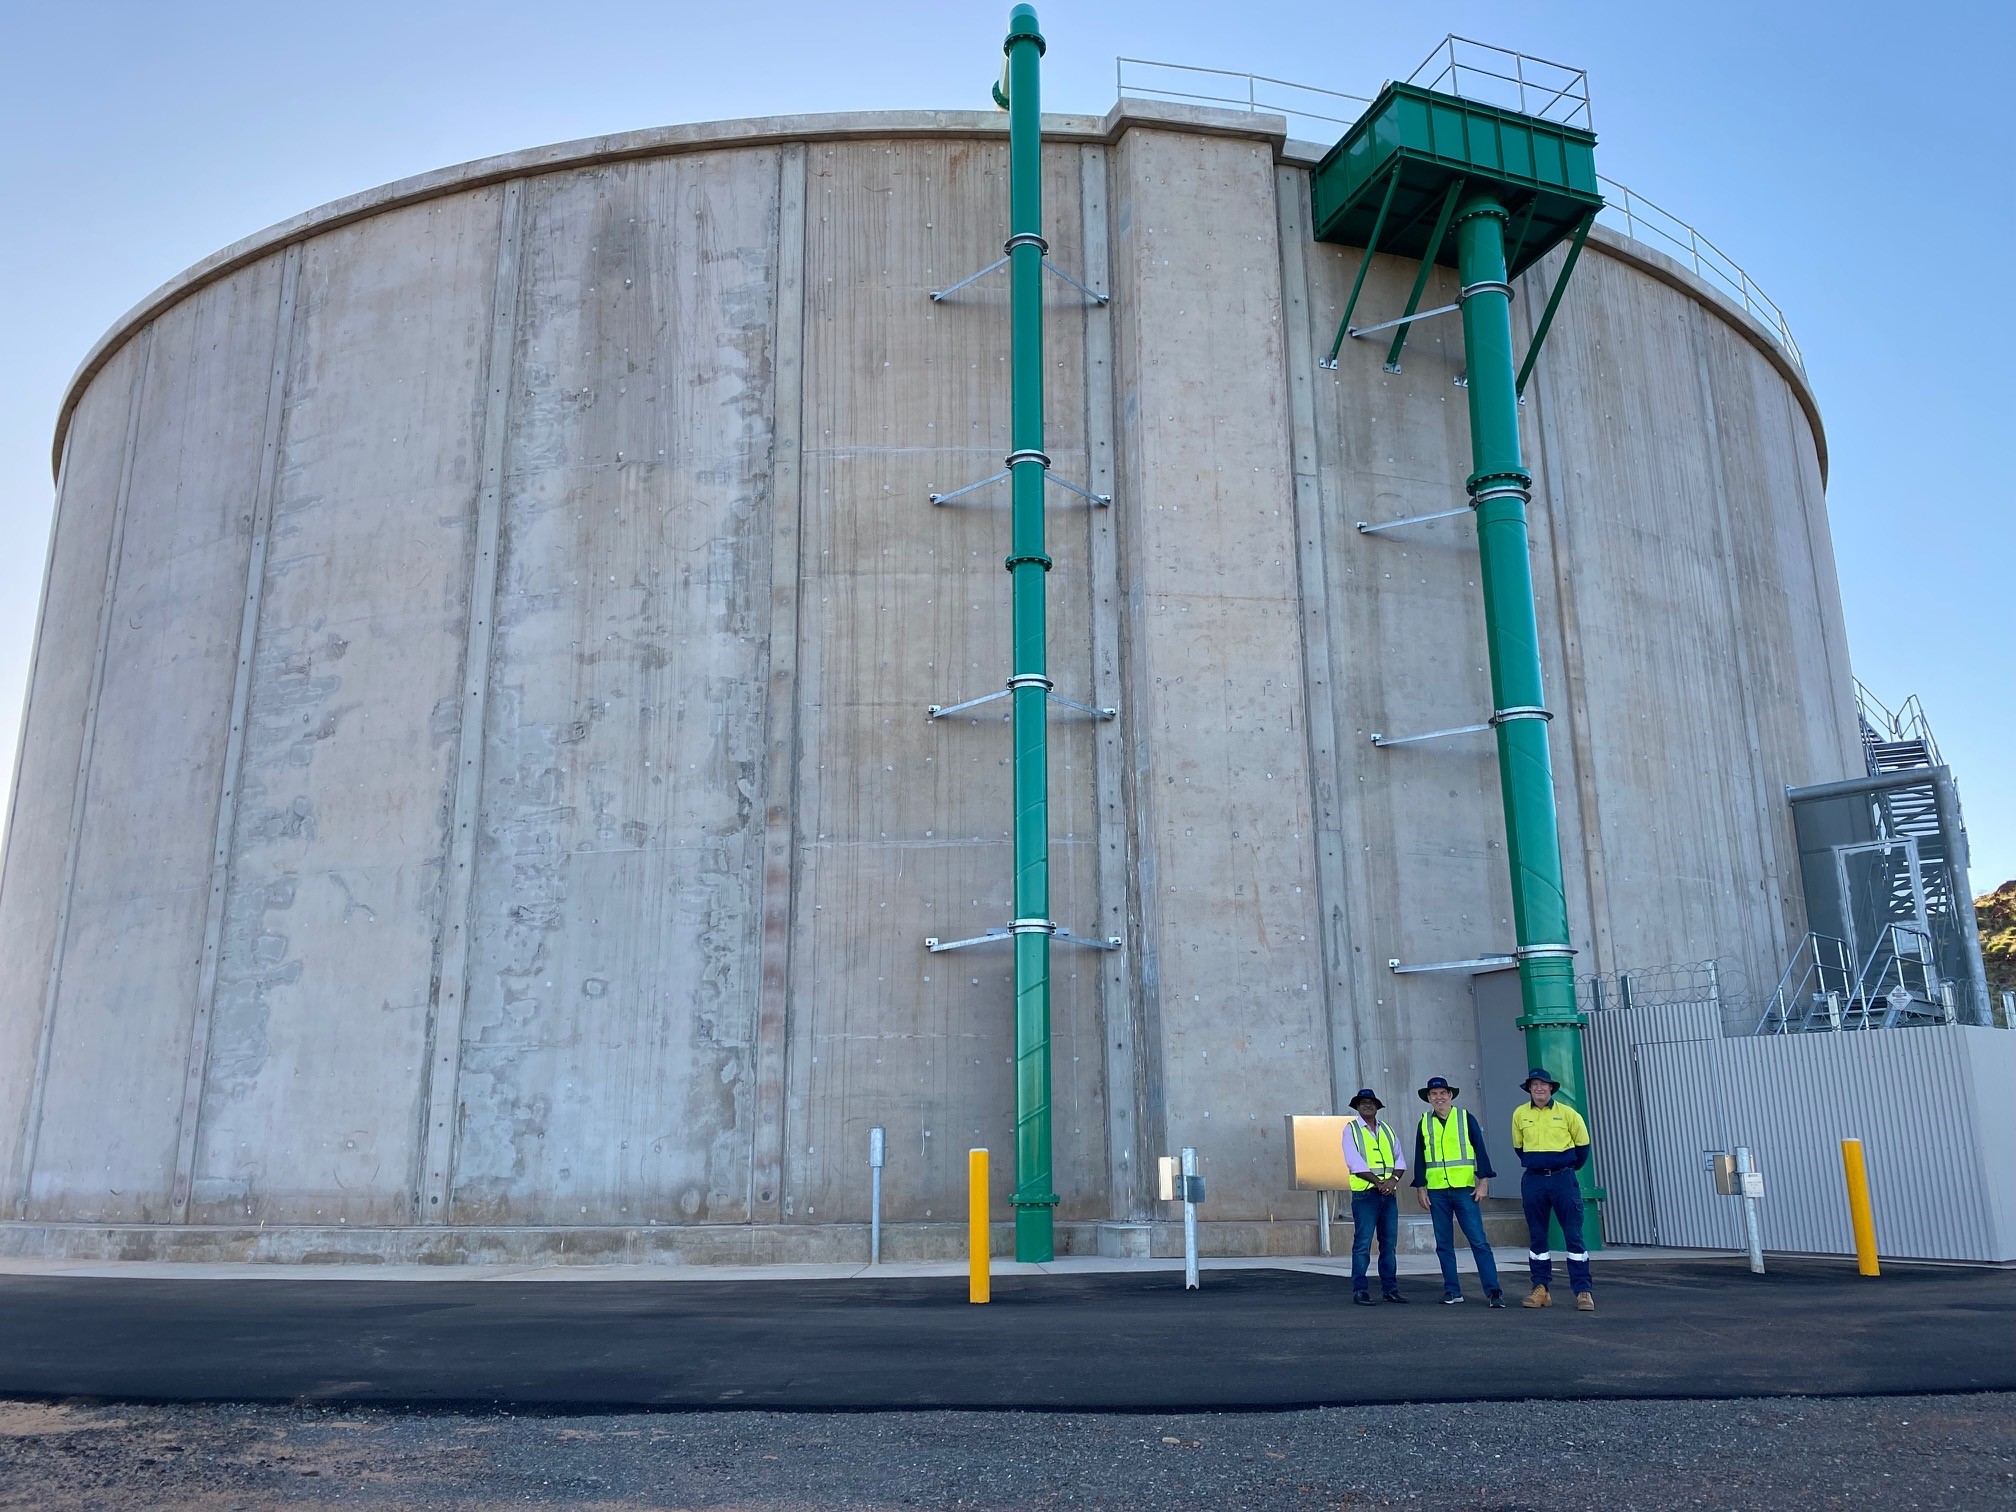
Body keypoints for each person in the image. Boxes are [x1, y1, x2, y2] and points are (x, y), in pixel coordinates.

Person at [1410, 1076, 1504, 1307]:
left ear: (1450, 1096)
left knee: (1478, 1241)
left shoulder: (1465, 1118)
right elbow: (1420, 1158)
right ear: (1429, 1099)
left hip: (1464, 1190)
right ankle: (1452, 1290)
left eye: (1443, 1093)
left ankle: (1493, 1292)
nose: (1439, 1097)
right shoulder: (1424, 1122)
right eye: (1434, 1094)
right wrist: (1421, 1188)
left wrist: (1484, 1182)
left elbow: (1480, 1151)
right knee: (1443, 1244)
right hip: (1437, 1191)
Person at [1510, 1067, 1594, 1312]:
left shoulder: (1568, 1114)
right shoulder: (1519, 1114)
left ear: (1551, 1088)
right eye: (1534, 1085)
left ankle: (1583, 1291)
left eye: (1543, 1085)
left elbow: (1583, 1148)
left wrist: (1564, 1168)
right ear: (1529, 1089)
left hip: (1563, 1180)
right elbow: (1519, 1147)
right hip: (1534, 1181)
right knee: (1537, 1236)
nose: (1539, 1088)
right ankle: (1540, 1289)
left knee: (1574, 1236)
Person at [1341, 1088, 1408, 1305]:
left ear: (1377, 1107)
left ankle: (1390, 1289)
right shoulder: (1351, 1130)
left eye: (1371, 1102)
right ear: (1357, 1107)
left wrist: (1393, 1181)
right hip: (1365, 1195)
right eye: (1363, 1102)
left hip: (1388, 1194)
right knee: (1362, 1244)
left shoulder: (1387, 1130)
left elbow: (1400, 1159)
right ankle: (1360, 1290)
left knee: (1388, 1244)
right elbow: (1354, 1162)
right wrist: (1379, 1183)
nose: (1367, 1105)